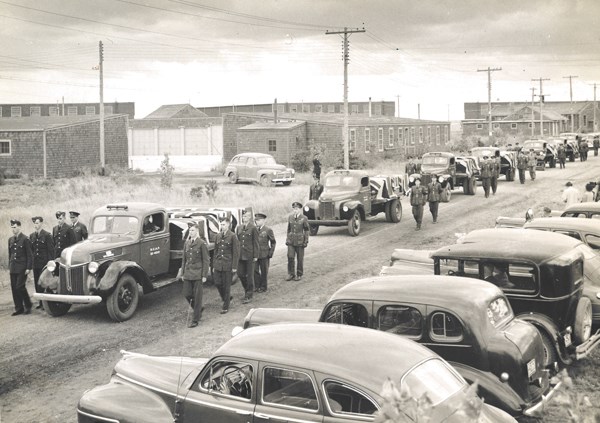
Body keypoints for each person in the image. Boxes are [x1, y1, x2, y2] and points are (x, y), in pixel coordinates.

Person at [178, 223, 209, 328]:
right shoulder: (186, 243)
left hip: (197, 274)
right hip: (188, 273)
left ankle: (195, 319)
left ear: (197, 232)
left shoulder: (201, 243)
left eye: (192, 231)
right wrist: (182, 273)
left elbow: (206, 260)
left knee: (197, 297)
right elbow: (184, 259)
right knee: (187, 294)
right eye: (189, 231)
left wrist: (204, 275)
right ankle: (198, 308)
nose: (190, 232)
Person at [213, 217, 240, 314]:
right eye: (221, 224)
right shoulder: (217, 236)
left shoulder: (233, 236)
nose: (222, 226)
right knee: (217, 283)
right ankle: (226, 297)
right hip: (218, 265)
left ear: (228, 225)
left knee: (226, 285)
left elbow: (236, 252)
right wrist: (214, 265)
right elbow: (216, 251)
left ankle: (225, 306)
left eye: (223, 224)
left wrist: (234, 267)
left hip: (228, 264)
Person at [8, 219, 33, 316]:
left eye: (14, 227)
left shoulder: (25, 239)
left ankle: (28, 305)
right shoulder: (10, 239)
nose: (13, 229)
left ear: (19, 227)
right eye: (12, 227)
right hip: (13, 267)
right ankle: (19, 308)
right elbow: (10, 254)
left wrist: (28, 268)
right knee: (14, 288)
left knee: (20, 287)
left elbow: (30, 255)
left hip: (22, 267)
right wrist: (10, 266)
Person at [29, 216, 54, 309]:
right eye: (34, 223)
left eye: (37, 223)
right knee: (37, 283)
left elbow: (51, 251)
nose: (36, 225)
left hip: (44, 264)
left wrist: (50, 264)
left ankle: (46, 303)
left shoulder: (47, 235)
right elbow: (31, 251)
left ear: (41, 223)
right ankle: (40, 302)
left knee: (44, 283)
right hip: (36, 264)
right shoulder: (32, 236)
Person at [236, 209, 259, 304]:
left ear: (249, 217)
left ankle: (249, 295)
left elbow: (256, 242)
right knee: (240, 274)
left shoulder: (253, 228)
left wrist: (255, 255)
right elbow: (238, 241)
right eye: (243, 216)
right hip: (241, 255)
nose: (244, 218)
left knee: (249, 275)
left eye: (246, 216)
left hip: (250, 254)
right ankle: (247, 290)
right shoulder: (239, 227)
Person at [286, 201, 310, 281]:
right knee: (290, 257)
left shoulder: (304, 218)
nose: (295, 210)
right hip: (291, 241)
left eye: (296, 209)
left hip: (300, 241)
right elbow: (289, 229)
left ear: (300, 209)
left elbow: (306, 230)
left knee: (300, 258)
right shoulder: (290, 217)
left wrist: (306, 241)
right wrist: (288, 238)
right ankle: (291, 273)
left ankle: (299, 274)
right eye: (294, 209)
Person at [254, 213, 276, 293]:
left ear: (263, 220)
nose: (257, 222)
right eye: (256, 220)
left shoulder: (268, 230)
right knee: (254, 270)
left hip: (264, 254)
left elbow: (273, 242)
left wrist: (270, 253)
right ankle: (257, 286)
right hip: (256, 254)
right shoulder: (254, 229)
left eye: (258, 220)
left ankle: (263, 287)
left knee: (264, 271)